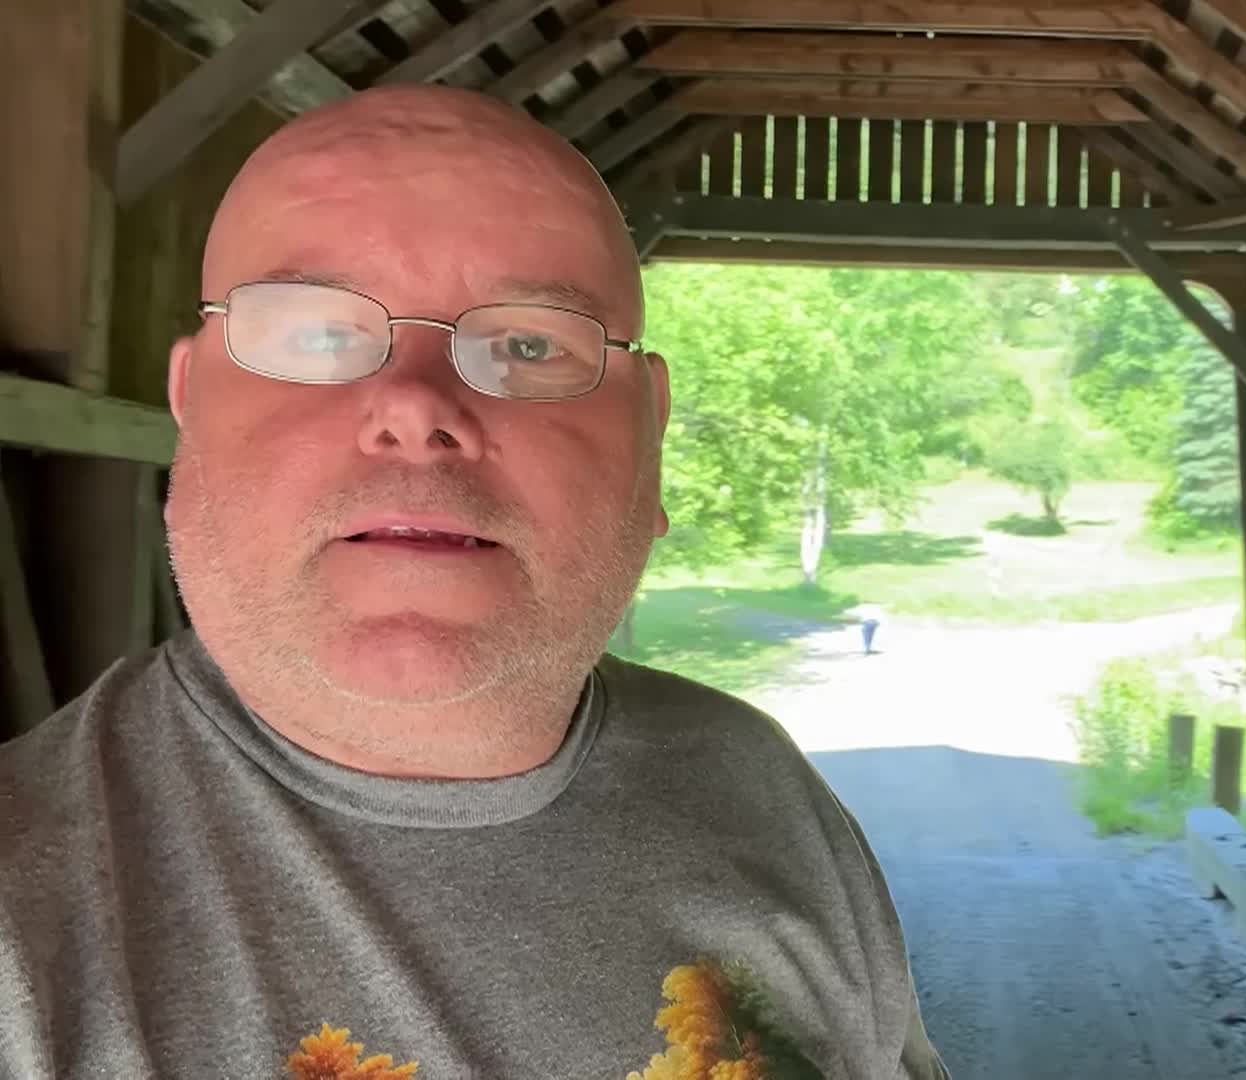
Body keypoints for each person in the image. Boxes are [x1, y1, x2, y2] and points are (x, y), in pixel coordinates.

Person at [0, 86, 947, 1080]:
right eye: (317, 333)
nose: (414, 404)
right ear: (190, 412)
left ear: (650, 443)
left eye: (528, 344)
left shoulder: (760, 787)